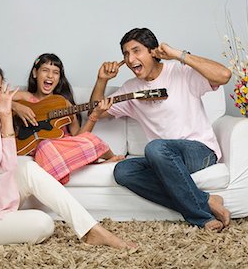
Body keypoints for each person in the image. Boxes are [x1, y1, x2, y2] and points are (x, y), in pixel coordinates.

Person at [0, 58, 136, 248]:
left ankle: (92, 230)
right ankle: (0, 223)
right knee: (43, 224)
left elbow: (8, 165)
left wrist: (5, 117)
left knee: (27, 166)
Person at [90, 28, 232, 231]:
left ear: (153, 52)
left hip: (200, 151)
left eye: (136, 51)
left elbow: (224, 75)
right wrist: (102, 80)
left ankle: (202, 218)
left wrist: (178, 55)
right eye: (125, 54)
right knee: (123, 171)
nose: (130, 59)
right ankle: (207, 200)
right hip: (162, 158)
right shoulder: (131, 88)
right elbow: (98, 113)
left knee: (156, 148)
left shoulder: (180, 72)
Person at [12, 53, 125, 184]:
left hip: (61, 148)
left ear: (59, 78)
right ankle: (91, 165)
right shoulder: (23, 97)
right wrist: (16, 106)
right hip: (42, 151)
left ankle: (108, 159)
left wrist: (95, 115)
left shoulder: (64, 104)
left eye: (55, 72)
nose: (50, 76)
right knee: (45, 146)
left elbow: (78, 137)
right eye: (45, 70)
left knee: (84, 140)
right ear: (35, 73)